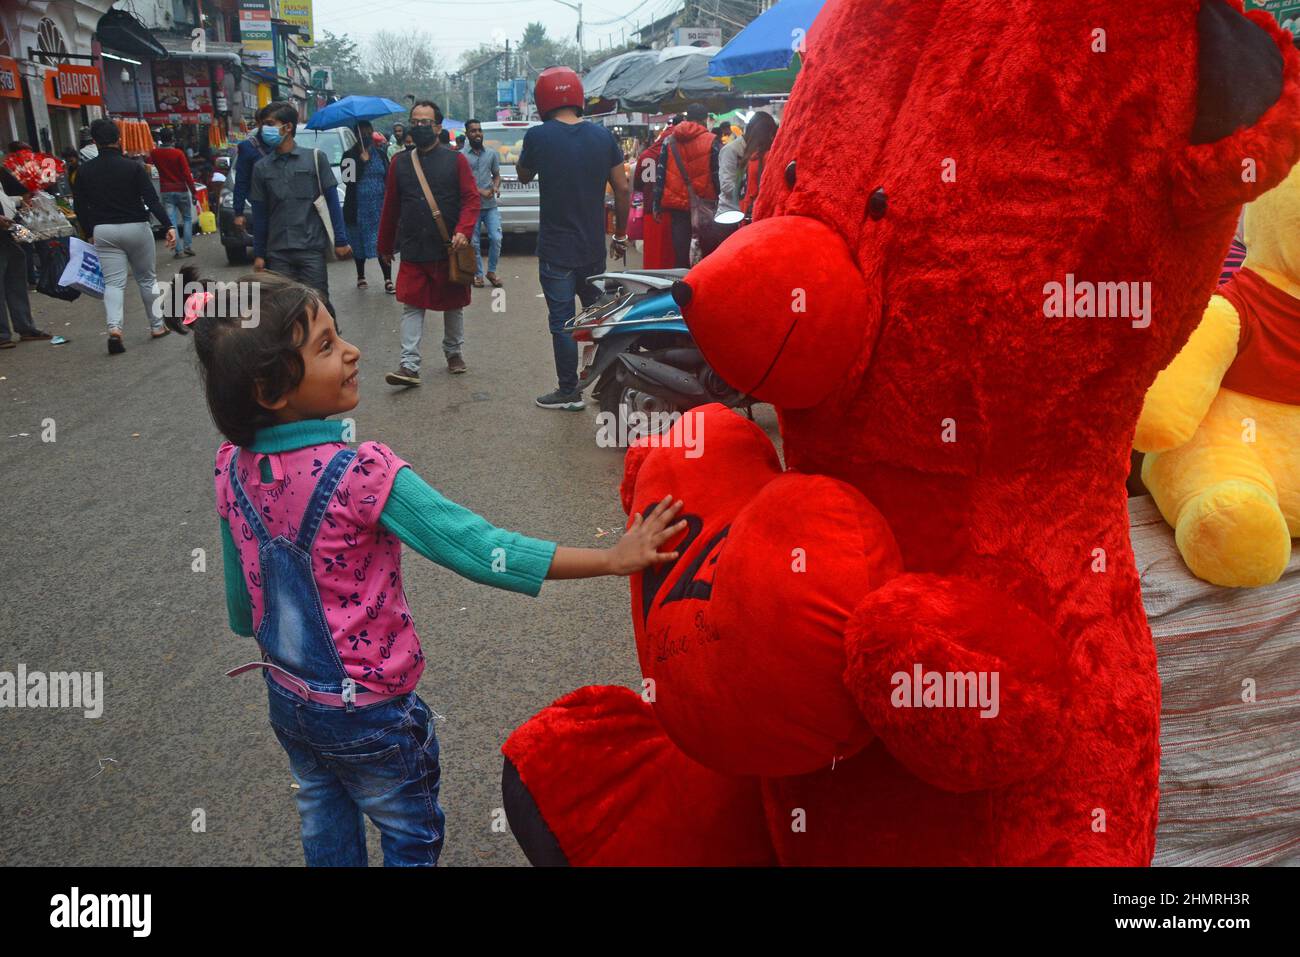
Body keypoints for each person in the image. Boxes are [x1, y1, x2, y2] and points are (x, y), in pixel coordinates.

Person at [185, 266, 686, 866]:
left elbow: (243, 603)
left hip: (290, 700)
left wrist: (257, 631)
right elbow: (476, 547)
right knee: (408, 829)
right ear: (270, 391)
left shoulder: (230, 467)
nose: (351, 351)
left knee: (323, 814)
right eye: (326, 346)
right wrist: (611, 558)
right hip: (367, 709)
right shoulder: (360, 475)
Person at [517, 67, 629, 411]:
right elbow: (622, 188)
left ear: (543, 100)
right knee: (600, 316)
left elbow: (523, 176)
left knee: (563, 322)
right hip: (593, 248)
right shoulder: (603, 137)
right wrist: (621, 235)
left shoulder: (537, 137)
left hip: (555, 250)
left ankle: (569, 392)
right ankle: (614, 379)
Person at [377, 99, 479, 383]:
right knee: (412, 304)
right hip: (413, 246)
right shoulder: (399, 162)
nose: (419, 126)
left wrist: (464, 230)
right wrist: (384, 246)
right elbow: (390, 207)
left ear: (437, 127)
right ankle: (409, 365)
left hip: (448, 247)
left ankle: (454, 352)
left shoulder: (455, 160)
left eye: (426, 122)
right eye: (415, 121)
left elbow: (471, 199)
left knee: (452, 303)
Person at [72, 118, 176, 354]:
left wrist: (89, 232)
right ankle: (157, 326)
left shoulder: (84, 171)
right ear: (119, 140)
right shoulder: (133, 168)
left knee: (114, 284)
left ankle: (115, 329)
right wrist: (168, 225)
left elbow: (80, 208)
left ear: (95, 142)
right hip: (137, 227)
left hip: (104, 231)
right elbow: (151, 200)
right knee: (147, 279)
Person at [249, 102, 351, 319]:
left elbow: (332, 202)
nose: (263, 130)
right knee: (285, 309)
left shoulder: (315, 159)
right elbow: (260, 215)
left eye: (269, 124)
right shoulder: (261, 168)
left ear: (287, 127)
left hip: (310, 248)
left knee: (319, 303)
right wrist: (259, 254)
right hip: (277, 252)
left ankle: (328, 344)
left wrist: (341, 240)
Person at [653, 103, 720, 268]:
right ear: (705, 119)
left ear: (687, 118)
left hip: (677, 206)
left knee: (681, 251)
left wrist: (656, 204)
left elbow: (660, 173)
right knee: (706, 252)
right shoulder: (711, 141)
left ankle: (682, 286)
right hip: (704, 205)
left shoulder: (669, 140)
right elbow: (716, 175)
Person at [0, 164, 50, 350]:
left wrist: (20, 201)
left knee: (15, 280)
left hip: (7, 234)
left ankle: (25, 327)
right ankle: (2, 334)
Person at [343, 120, 392, 293]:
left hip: (379, 207)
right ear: (356, 135)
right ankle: (361, 275)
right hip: (358, 208)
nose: (365, 135)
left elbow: (388, 177)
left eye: (368, 131)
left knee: (382, 243)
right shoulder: (348, 155)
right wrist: (361, 162)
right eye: (361, 132)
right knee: (359, 243)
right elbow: (347, 180)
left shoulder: (380, 154)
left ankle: (388, 279)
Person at [462, 119, 502, 288]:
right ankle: (478, 275)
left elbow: (496, 175)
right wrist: (480, 191)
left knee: (496, 238)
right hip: (471, 207)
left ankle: (491, 271)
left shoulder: (491, 154)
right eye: (473, 131)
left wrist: (495, 187)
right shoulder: (461, 156)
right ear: (467, 134)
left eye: (479, 130)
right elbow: (462, 182)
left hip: (490, 206)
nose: (477, 134)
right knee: (474, 242)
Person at [149, 127, 198, 259]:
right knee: (187, 218)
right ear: (172, 139)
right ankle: (188, 246)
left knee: (172, 222)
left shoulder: (155, 153)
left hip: (166, 190)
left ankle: (178, 250)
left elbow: (148, 164)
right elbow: (187, 174)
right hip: (181, 189)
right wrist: (193, 191)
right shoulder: (178, 153)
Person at [232, 104, 274, 235]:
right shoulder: (247, 147)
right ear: (258, 123)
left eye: (272, 123)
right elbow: (241, 181)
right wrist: (238, 212)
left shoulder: (284, 144)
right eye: (266, 123)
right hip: (260, 205)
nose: (270, 127)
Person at [738, 110, 778, 222]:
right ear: (771, 134)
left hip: (746, 211)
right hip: (763, 214)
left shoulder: (750, 157)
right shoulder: (769, 157)